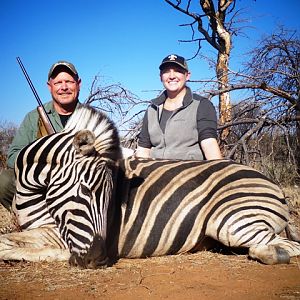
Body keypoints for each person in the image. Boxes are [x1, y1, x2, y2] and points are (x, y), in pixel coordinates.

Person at [0, 60, 82, 210]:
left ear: (78, 84)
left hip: (81, 187)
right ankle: (29, 222)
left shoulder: (93, 117)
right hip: (43, 187)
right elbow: (12, 157)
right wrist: (43, 158)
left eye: (69, 82)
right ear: (49, 87)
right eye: (58, 83)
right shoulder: (33, 117)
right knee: (4, 181)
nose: (64, 87)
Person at [136, 54, 223, 161]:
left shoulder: (202, 105)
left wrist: (219, 171)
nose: (172, 76)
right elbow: (143, 148)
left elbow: (209, 142)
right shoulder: (152, 109)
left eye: (177, 71)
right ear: (160, 77)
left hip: (190, 174)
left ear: (187, 75)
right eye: (166, 71)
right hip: (155, 173)